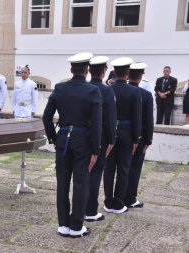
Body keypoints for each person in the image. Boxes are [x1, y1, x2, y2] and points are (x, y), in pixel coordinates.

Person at [43, 52, 102, 238]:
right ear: (87, 70)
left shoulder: (60, 88)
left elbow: (46, 117)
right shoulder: (93, 90)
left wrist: (53, 138)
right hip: (83, 141)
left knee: (63, 182)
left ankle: (63, 225)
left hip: (63, 140)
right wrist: (95, 150)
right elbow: (97, 124)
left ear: (71, 69)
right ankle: (77, 226)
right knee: (80, 182)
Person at [103, 57, 142, 214]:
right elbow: (137, 118)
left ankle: (108, 201)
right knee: (124, 169)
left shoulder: (108, 89)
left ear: (114, 72)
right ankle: (119, 203)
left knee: (109, 168)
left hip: (109, 132)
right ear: (127, 73)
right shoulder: (134, 91)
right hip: (126, 133)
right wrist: (136, 139)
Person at [85, 56, 117, 222]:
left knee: (82, 174)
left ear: (89, 71)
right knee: (96, 173)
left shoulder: (84, 87)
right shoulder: (106, 90)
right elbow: (111, 118)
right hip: (101, 137)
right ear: (104, 71)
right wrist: (112, 140)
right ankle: (90, 210)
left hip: (82, 135)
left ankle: (80, 207)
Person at [125, 62, 154, 208]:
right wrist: (149, 139)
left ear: (128, 75)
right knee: (135, 167)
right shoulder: (146, 94)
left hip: (121, 134)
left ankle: (117, 196)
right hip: (140, 136)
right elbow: (149, 120)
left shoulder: (119, 90)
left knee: (120, 167)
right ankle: (130, 198)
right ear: (141, 76)